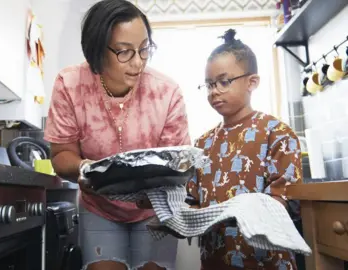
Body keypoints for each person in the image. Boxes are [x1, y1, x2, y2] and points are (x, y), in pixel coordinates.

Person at [43, 0, 191, 269]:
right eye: (124, 52)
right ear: (97, 51)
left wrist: (161, 192)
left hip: (154, 207)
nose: (138, 62)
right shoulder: (70, 84)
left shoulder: (166, 93)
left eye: (144, 49)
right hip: (99, 207)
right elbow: (61, 155)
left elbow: (178, 163)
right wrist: (83, 168)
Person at [184, 29, 302, 269]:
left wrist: (239, 211)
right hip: (215, 261)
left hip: (267, 262)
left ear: (252, 82)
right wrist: (175, 214)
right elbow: (193, 202)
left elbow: (284, 200)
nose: (214, 91)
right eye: (208, 84)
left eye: (224, 82)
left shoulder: (277, 133)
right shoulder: (202, 144)